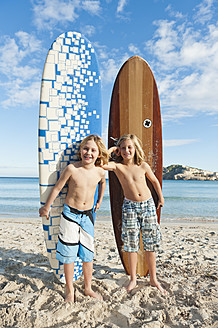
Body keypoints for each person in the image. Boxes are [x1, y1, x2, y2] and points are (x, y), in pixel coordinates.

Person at [39, 134, 109, 302]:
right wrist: (46, 207)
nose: (88, 153)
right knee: (69, 254)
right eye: (86, 148)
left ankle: (88, 288)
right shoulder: (72, 169)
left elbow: (103, 183)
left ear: (99, 154)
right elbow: (57, 188)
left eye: (93, 150)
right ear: (80, 150)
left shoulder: (100, 171)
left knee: (88, 254)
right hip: (70, 215)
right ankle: (70, 290)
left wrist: (99, 201)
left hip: (88, 216)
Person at [102, 134, 166, 294]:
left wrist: (161, 197)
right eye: (122, 148)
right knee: (131, 244)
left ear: (135, 149)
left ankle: (153, 278)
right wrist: (112, 149)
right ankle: (133, 279)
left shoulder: (143, 166)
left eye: (129, 147)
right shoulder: (118, 167)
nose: (126, 150)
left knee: (150, 242)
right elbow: (101, 164)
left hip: (148, 205)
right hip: (129, 207)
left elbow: (155, 181)